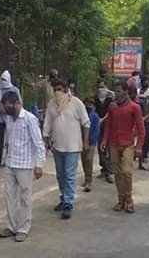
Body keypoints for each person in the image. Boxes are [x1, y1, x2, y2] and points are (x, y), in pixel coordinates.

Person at [0, 91, 45, 242]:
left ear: (16, 103)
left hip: (25, 165)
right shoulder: (9, 119)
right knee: (10, 196)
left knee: (25, 198)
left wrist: (39, 164)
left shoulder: (30, 119)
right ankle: (11, 226)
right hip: (10, 163)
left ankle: (23, 228)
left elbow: (38, 143)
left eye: (7, 106)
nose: (5, 109)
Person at [43, 79, 90, 220]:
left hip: (72, 146)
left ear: (65, 89)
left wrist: (86, 141)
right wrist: (46, 138)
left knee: (70, 175)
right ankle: (63, 198)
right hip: (57, 145)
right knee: (60, 175)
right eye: (54, 89)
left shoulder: (76, 103)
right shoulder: (52, 104)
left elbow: (86, 123)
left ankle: (68, 203)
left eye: (59, 89)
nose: (57, 92)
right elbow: (47, 122)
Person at [101, 81, 145, 214]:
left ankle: (129, 199)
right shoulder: (112, 106)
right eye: (115, 91)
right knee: (117, 173)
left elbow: (140, 128)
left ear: (126, 91)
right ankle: (121, 199)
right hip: (114, 144)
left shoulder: (134, 107)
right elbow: (108, 125)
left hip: (128, 144)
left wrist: (139, 146)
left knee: (126, 172)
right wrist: (104, 140)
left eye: (119, 91)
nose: (116, 94)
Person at [0, 70, 21, 173]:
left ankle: (11, 162)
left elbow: (19, 104)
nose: (3, 81)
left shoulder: (14, 90)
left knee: (12, 141)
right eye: (2, 79)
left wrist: (16, 116)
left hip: (11, 119)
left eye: (5, 80)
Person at [94, 80, 114, 183]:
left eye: (102, 87)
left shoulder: (110, 100)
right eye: (99, 87)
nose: (101, 89)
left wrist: (104, 118)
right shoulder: (94, 99)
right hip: (98, 126)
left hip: (109, 126)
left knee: (108, 148)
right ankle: (104, 169)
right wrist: (98, 119)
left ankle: (108, 170)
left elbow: (111, 112)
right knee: (100, 148)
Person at [81, 98, 101, 192]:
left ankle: (89, 181)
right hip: (82, 141)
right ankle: (86, 178)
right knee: (84, 160)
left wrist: (91, 141)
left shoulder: (95, 116)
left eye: (91, 104)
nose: (89, 106)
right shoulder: (82, 115)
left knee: (89, 160)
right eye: (87, 104)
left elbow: (96, 130)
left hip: (91, 142)